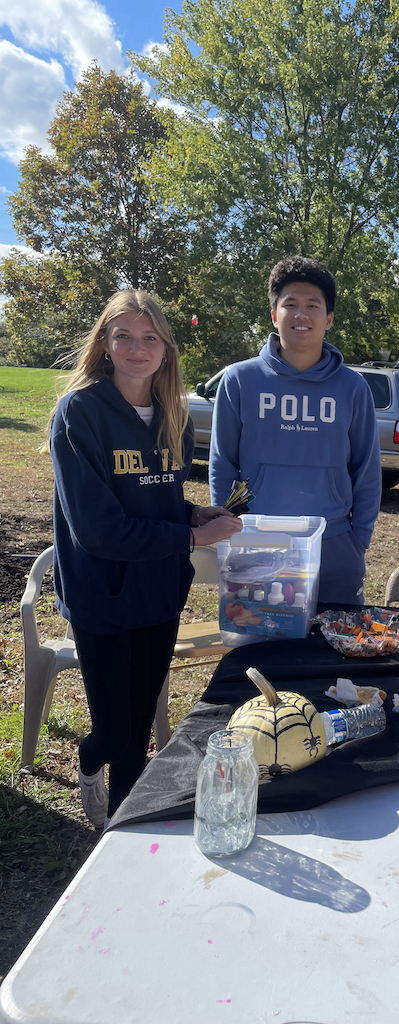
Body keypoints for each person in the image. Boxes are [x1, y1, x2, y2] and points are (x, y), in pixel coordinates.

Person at [46, 290, 243, 828]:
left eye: (149, 337)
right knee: (114, 732)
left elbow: (153, 497)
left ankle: (122, 829)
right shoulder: (81, 413)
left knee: (139, 727)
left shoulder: (175, 416)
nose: (138, 348)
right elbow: (99, 530)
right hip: (103, 594)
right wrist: (192, 540)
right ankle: (92, 762)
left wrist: (193, 513)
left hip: (158, 591)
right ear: (106, 345)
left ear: (165, 348)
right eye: (124, 336)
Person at [210, 256, 381, 605]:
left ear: (329, 318)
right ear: (274, 315)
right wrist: (229, 530)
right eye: (290, 304)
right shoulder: (239, 380)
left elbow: (366, 469)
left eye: (312, 305)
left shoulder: (353, 388)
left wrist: (359, 536)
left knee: (336, 653)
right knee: (257, 648)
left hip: (334, 542)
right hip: (257, 540)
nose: (301, 314)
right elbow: (221, 462)